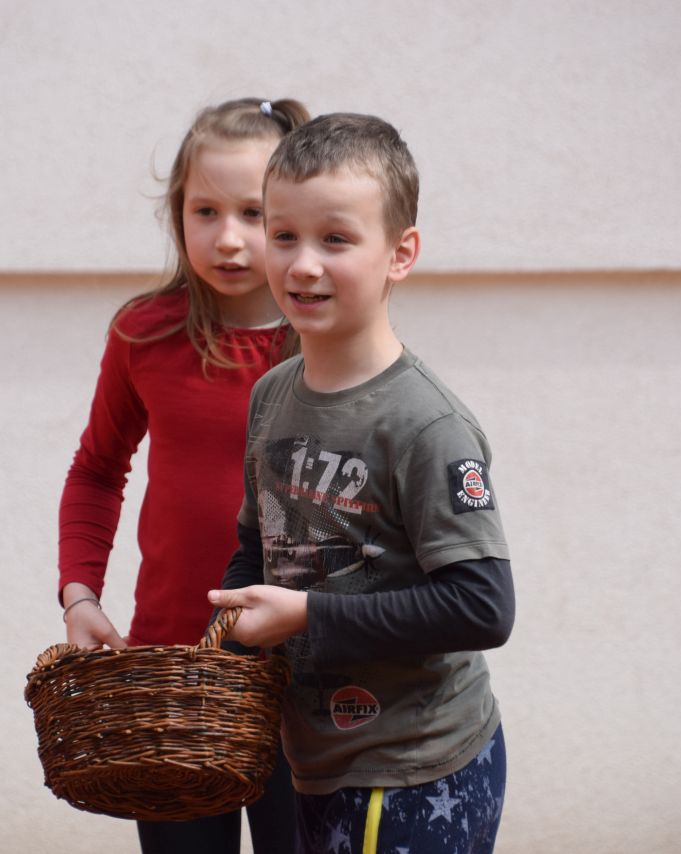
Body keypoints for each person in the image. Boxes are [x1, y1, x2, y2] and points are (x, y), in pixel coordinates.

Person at [208, 113, 516, 854]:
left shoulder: (427, 424)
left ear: (400, 254)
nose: (302, 265)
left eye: (336, 239)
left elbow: (484, 606)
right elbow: (256, 547)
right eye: (284, 235)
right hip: (316, 762)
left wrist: (306, 617)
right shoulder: (271, 395)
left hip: (414, 772)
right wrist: (225, 639)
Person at [57, 97, 310, 854]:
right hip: (174, 673)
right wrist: (79, 593)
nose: (227, 238)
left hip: (307, 677)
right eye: (206, 211)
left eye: (253, 213)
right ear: (178, 213)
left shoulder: (328, 340)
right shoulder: (145, 332)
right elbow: (96, 469)